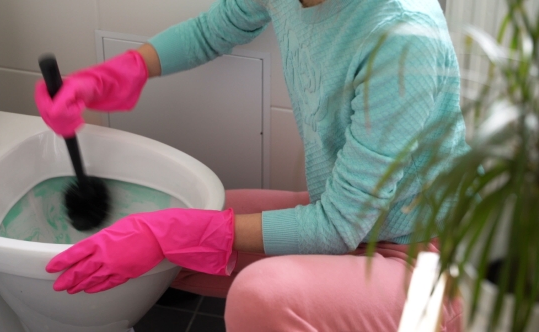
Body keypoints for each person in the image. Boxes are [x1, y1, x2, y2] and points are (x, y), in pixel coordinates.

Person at [35, 0, 467, 330]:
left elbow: (336, 226)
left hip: (416, 265)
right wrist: (122, 72)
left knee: (256, 296)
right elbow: (214, 29)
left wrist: (170, 234)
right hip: (349, 223)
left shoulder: (401, 38)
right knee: (170, 250)